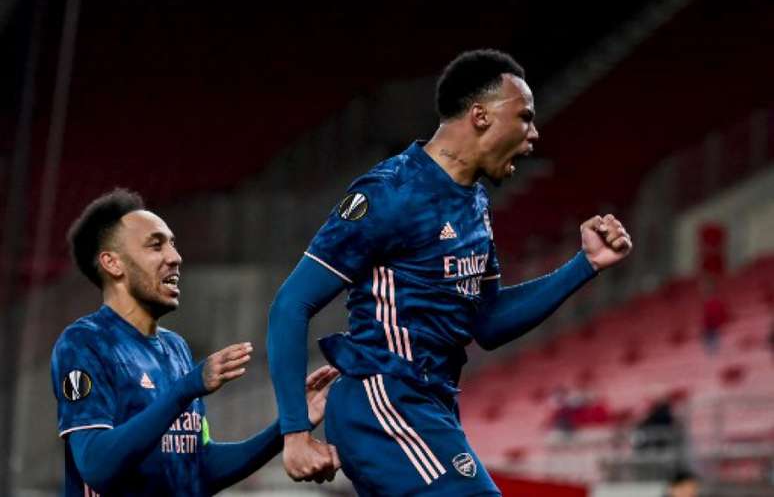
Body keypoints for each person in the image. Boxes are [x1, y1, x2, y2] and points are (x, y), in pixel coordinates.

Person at [267, 49, 632, 495]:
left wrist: (585, 264)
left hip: (430, 404)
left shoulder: (474, 203)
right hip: (384, 398)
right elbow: (291, 304)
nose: (534, 133)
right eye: (525, 117)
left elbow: (489, 322)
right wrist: (294, 433)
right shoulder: (391, 192)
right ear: (480, 116)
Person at [51, 189, 339, 496]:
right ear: (113, 264)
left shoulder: (176, 349)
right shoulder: (85, 343)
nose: (175, 257)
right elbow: (96, 467)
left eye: (173, 244)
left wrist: (287, 426)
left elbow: (202, 466)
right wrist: (187, 388)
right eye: (156, 245)